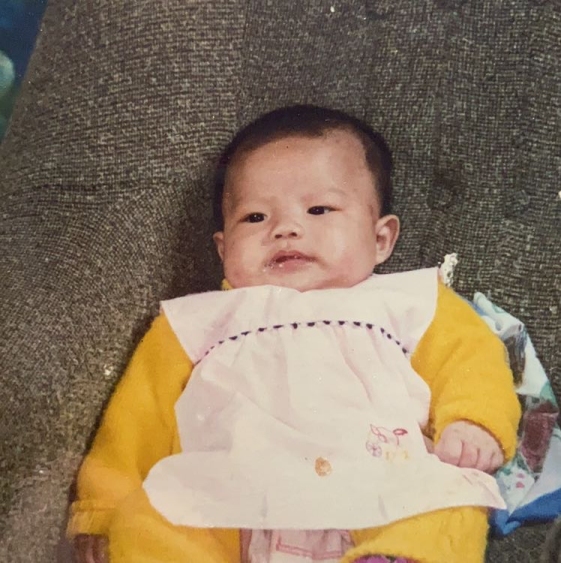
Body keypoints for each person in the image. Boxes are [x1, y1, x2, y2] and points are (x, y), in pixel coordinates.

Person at [68, 105, 521, 563]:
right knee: (147, 519)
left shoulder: (408, 300)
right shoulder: (197, 321)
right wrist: (103, 505)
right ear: (223, 248)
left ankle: (395, 556)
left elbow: (470, 357)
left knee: (450, 497)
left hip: (379, 479)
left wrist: (474, 421)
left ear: (380, 239)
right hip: (228, 498)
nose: (286, 229)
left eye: (319, 209)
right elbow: (136, 416)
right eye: (254, 218)